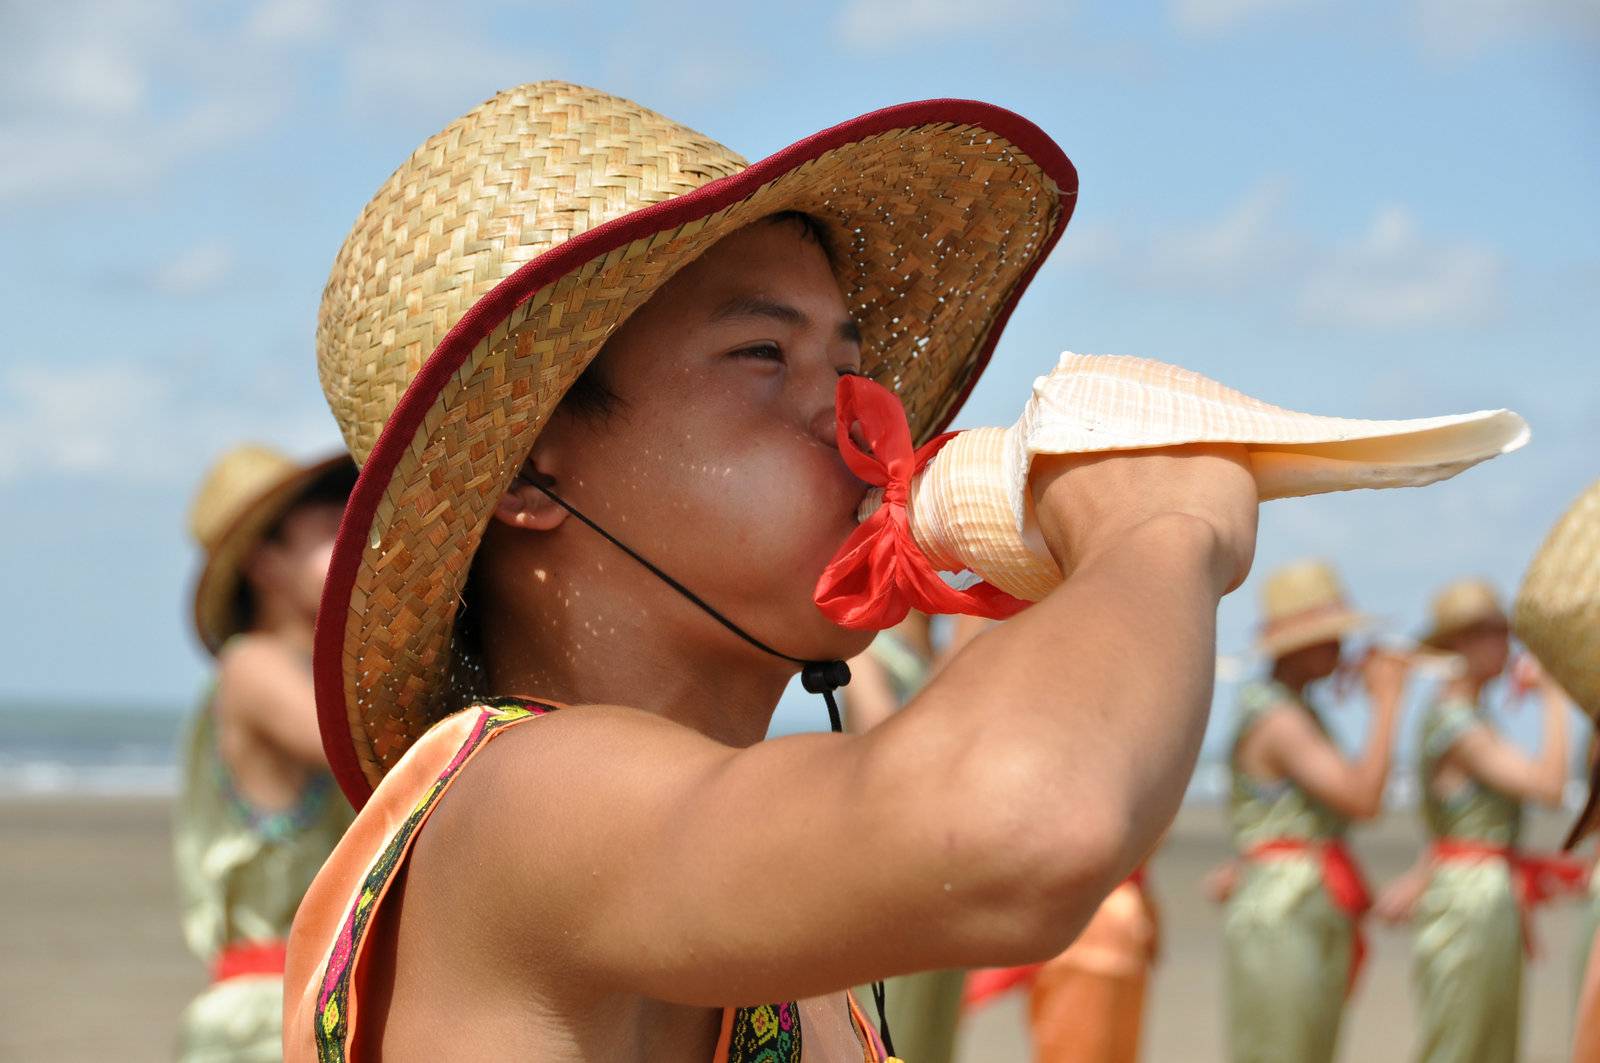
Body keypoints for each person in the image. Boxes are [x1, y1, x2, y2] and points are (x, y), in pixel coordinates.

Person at [282, 82, 1261, 1061]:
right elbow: (1025, 823)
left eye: (852, 363)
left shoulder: (743, 834)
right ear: (532, 465)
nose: (860, 419)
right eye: (762, 354)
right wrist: (1160, 526)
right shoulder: (520, 802)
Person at [175, 445, 356, 1060]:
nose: (359, 544)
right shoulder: (252, 668)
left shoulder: (316, 673)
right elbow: (361, 748)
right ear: (264, 562)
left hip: (316, 997)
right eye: (334, 531)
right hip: (265, 1013)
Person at [1374, 579, 1580, 1063]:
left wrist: (1424, 873)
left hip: (1475, 889)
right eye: (1492, 634)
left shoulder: (1467, 715)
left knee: (1484, 1038)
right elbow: (1549, 787)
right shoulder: (1458, 723)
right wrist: (1554, 697)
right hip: (1473, 899)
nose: (1506, 647)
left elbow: (1454, 826)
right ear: (1459, 645)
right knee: (1463, 1041)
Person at [1214, 559, 1408, 1063]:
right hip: (1286, 906)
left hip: (1304, 899)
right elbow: (1363, 800)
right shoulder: (1279, 718)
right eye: (1327, 638)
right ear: (1291, 648)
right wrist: (1387, 704)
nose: (1340, 648)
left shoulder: (1296, 707)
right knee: (1283, 1048)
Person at [843, 611, 972, 1063]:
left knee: (931, 1038)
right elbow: (888, 737)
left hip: (940, 873)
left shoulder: (936, 649)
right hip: (888, 876)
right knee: (887, 1032)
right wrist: (968, 642)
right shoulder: (861, 647)